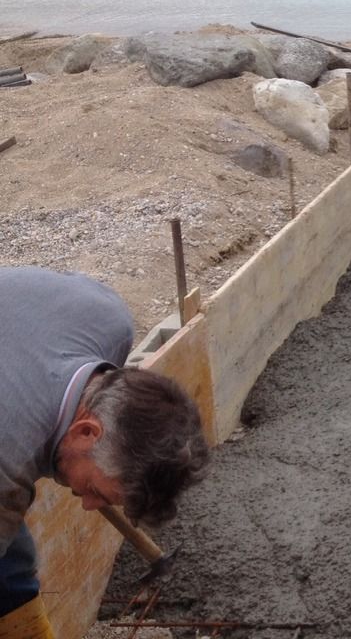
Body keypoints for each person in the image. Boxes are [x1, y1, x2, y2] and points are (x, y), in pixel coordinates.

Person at [0, 267, 210, 638]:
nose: (89, 505)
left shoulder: (109, 320)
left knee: (12, 561)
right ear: (85, 431)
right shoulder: (8, 463)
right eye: (98, 490)